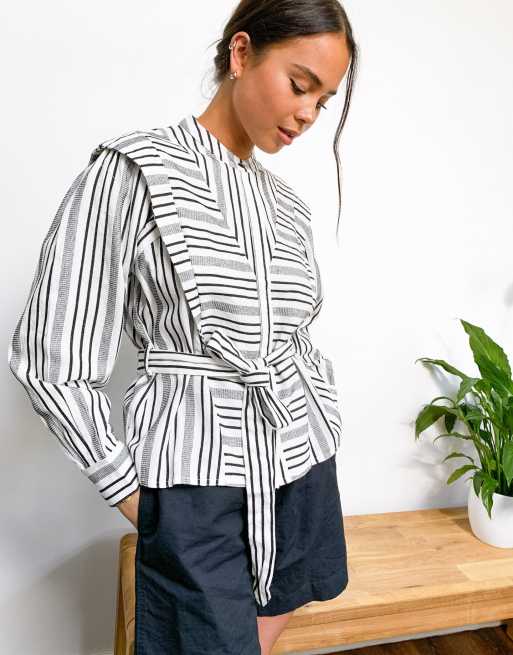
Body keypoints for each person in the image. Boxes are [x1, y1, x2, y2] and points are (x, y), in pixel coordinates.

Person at [8, 0, 358, 653]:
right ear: (241, 53)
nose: (309, 113)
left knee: (263, 628)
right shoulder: (132, 171)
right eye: (299, 85)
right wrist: (132, 493)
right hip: (194, 481)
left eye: (324, 100)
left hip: (301, 464)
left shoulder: (286, 203)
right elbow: (50, 358)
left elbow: (295, 339)